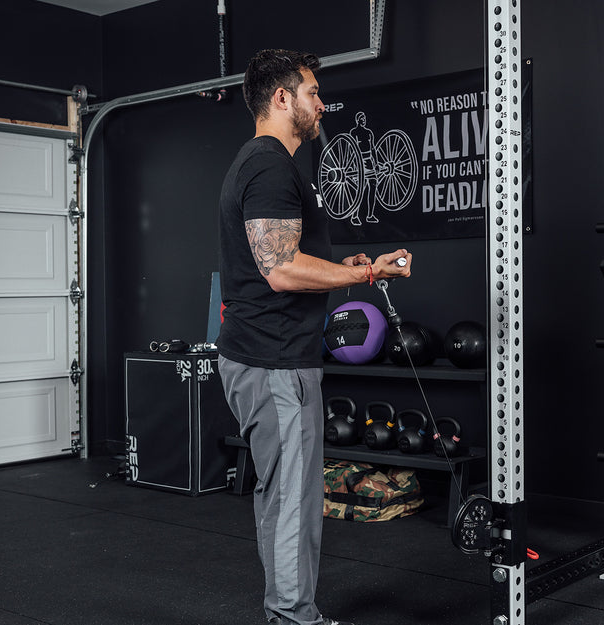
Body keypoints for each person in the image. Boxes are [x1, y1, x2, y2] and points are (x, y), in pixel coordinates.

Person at [216, 49, 412, 625]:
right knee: (293, 501)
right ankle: (293, 617)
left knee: (282, 494)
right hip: (275, 364)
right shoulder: (270, 166)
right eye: (312, 93)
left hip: (263, 356)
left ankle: (288, 612)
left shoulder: (260, 164)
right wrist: (368, 273)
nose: (321, 104)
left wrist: (345, 265)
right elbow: (279, 269)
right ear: (282, 99)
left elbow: (279, 261)